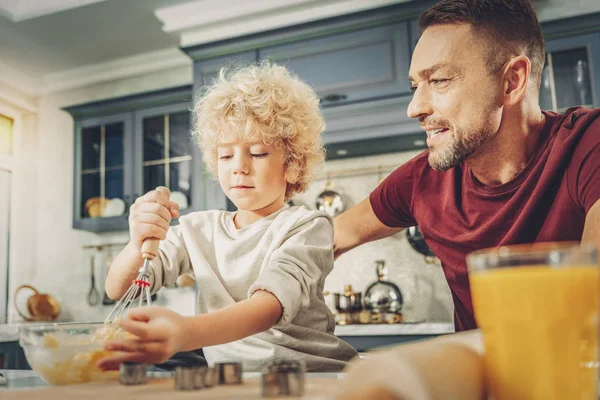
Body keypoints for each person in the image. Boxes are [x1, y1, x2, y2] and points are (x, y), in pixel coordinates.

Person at [333, 0, 600, 331]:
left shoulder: (587, 144)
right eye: (415, 86)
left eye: (440, 80)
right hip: (481, 381)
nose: (414, 108)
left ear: (512, 82)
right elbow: (328, 238)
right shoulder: (422, 181)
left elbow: (591, 302)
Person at [97, 62, 358, 372]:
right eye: (225, 155)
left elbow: (268, 306)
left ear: (293, 165)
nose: (239, 167)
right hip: (236, 380)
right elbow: (119, 289)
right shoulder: (197, 229)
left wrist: (187, 333)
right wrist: (136, 242)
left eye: (258, 153)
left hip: (313, 377)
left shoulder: (307, 226)